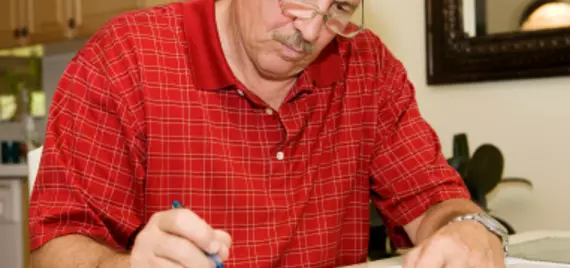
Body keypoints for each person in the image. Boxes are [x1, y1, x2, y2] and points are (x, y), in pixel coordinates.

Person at [28, 0, 508, 267]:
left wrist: (468, 229)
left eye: (338, 5)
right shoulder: (124, 59)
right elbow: (57, 248)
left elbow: (433, 201)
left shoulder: (368, 66)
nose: (311, 29)